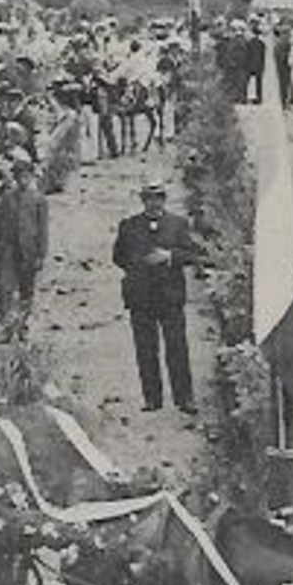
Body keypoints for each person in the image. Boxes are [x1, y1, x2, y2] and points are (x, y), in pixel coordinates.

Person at [111, 176, 199, 415]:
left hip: (170, 296)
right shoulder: (128, 226)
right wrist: (138, 269)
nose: (154, 203)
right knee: (146, 349)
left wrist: (169, 256)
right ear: (142, 200)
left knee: (177, 347)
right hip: (141, 297)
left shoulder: (178, 224)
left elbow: (192, 254)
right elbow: (118, 256)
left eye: (158, 198)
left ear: (164, 199)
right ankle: (152, 398)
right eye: (149, 198)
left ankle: (184, 398)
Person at [0, 151, 51, 337]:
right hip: (8, 250)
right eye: (19, 176)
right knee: (5, 289)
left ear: (31, 176)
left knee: (26, 291)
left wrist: (41, 255)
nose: (23, 179)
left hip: (29, 252)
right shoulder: (6, 198)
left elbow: (43, 231)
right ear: (14, 177)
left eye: (26, 176)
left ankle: (23, 326)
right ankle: (7, 327)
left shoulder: (39, 200)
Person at [273, 21, 293, 109]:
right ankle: (286, 101)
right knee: (286, 84)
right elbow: (283, 57)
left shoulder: (278, 44)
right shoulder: (285, 44)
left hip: (281, 66)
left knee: (283, 84)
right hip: (285, 66)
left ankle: (285, 101)